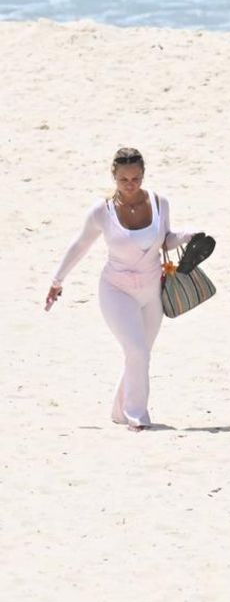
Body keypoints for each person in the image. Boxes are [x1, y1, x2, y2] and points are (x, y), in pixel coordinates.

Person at [46, 146, 196, 429]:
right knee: (137, 351)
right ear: (114, 176)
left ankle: (119, 410)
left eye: (136, 178)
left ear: (143, 175)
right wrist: (57, 281)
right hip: (116, 290)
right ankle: (137, 415)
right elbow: (79, 246)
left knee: (140, 354)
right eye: (124, 179)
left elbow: (165, 240)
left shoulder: (160, 202)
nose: (130, 185)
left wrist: (189, 235)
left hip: (153, 291)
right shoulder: (101, 212)